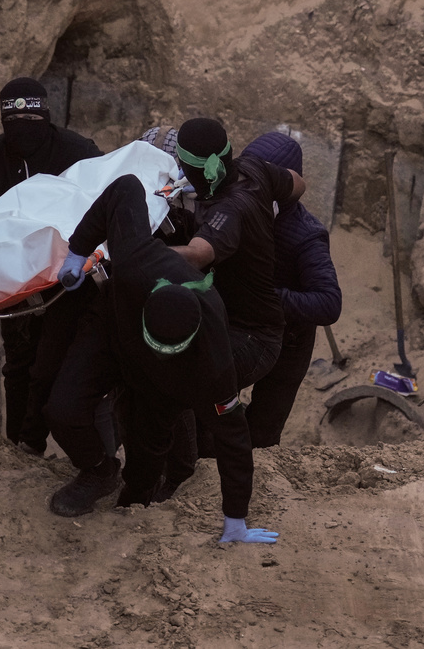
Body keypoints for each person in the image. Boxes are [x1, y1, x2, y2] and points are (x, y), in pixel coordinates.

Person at [44, 174, 280, 544]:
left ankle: (132, 505)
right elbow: (126, 187)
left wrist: (235, 518)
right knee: (63, 409)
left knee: (149, 449)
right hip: (112, 332)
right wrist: (78, 250)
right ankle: (98, 471)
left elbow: (234, 437)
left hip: (165, 385)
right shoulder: (138, 259)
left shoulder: (213, 363)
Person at [153, 118, 305, 501]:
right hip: (253, 324)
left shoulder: (228, 209)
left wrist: (139, 254)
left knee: (176, 380)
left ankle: (182, 476)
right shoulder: (255, 170)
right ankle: (195, 461)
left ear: (187, 168)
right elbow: (297, 182)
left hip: (252, 337)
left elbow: (201, 253)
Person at [0, 77, 102, 456]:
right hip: (12, 282)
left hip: (67, 282)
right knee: (18, 365)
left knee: (54, 365)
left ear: (46, 115)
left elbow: (102, 208)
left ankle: (53, 445)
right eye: (15, 119)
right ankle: (18, 448)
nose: (24, 128)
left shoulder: (79, 152)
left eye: (32, 118)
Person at [239, 132, 342, 447]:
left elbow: (329, 303)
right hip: (240, 330)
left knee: (262, 435)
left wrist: (268, 297)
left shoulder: (306, 235)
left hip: (289, 343)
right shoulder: (241, 210)